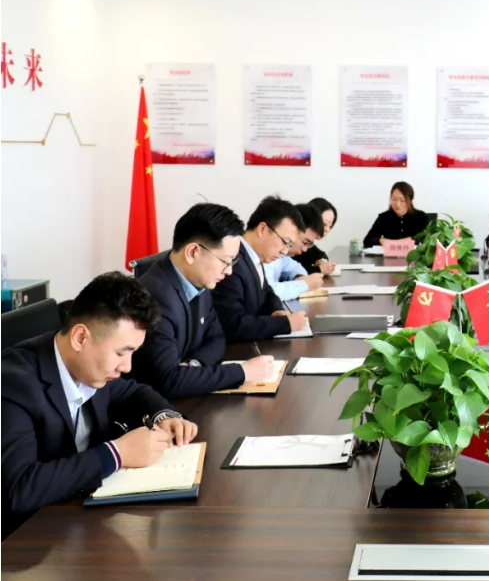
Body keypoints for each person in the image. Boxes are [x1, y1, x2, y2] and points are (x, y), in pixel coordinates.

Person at [1, 272, 198, 539]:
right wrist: (117, 454)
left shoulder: (89, 365)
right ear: (80, 338)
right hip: (29, 539)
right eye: (121, 353)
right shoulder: (12, 383)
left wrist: (164, 416)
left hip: (82, 514)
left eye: (133, 353)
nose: (127, 366)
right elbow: (21, 489)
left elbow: (133, 392)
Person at [131, 203, 276, 398]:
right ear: (193, 252)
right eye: (225, 261)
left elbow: (217, 337)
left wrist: (194, 364)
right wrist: (242, 372)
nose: (229, 271)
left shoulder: (199, 281)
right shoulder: (155, 297)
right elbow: (169, 381)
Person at [212, 195, 307, 342]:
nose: (285, 251)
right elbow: (233, 324)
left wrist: (277, 310)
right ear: (262, 229)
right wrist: (284, 324)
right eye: (285, 242)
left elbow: (266, 290)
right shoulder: (232, 261)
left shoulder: (253, 256)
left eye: (289, 246)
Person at [263, 203, 325, 301]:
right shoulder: (265, 252)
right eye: (304, 242)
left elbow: (294, 267)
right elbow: (268, 292)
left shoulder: (282, 255)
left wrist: (300, 277)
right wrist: (303, 284)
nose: (305, 250)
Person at [362, 182, 430, 248]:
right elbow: (367, 240)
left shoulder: (421, 217)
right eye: (394, 199)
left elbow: (430, 239)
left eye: (402, 200)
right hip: (390, 255)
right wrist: (381, 240)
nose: (397, 204)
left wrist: (413, 239)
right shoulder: (384, 217)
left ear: (410, 200)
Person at [295, 197, 338, 276]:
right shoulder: (288, 249)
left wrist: (322, 261)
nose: (327, 229)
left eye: (330, 226)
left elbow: (318, 253)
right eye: (324, 224)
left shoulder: (307, 244)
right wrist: (318, 270)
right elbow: (289, 274)